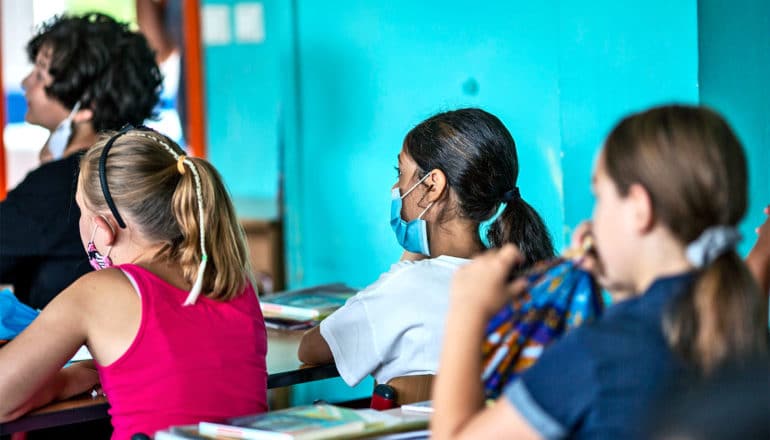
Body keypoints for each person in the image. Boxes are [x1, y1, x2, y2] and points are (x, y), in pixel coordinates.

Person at [432, 105, 769, 440]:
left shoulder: (596, 357)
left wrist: (468, 308)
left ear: (639, 208)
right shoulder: (742, 334)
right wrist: (622, 284)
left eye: (600, 196)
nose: (590, 222)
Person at [0, 127, 268, 439]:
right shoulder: (230, 278)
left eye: (81, 211)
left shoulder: (99, 292)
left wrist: (69, 380)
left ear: (103, 228)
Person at [297, 108, 555, 387]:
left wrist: (406, 262)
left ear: (433, 186)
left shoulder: (404, 288)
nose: (396, 186)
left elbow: (311, 349)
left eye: (401, 172)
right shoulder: (527, 278)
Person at [0, 13, 162, 309]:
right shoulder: (137, 172)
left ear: (86, 107)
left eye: (40, 74)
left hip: (67, 353)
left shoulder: (59, 183)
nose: (25, 83)